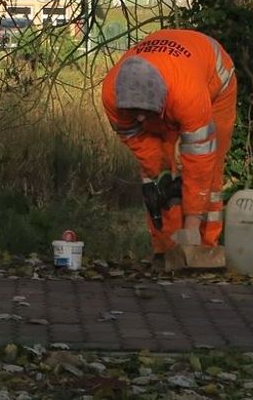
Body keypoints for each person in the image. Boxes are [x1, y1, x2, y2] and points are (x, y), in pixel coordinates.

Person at [101, 29, 236, 262]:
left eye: (145, 112)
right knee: (158, 180)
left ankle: (202, 249)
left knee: (209, 173)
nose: (141, 119)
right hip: (170, 84)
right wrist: (159, 175)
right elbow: (140, 144)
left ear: (162, 100)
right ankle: (165, 250)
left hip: (215, 82)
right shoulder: (112, 95)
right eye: (135, 112)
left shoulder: (188, 96)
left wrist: (192, 221)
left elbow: (200, 161)